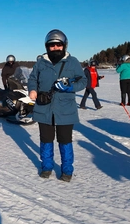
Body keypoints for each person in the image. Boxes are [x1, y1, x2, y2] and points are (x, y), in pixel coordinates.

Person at [28, 29, 87, 182]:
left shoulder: (72, 62)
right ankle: (46, 167)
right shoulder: (41, 62)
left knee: (65, 141)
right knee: (46, 140)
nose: (55, 48)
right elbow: (32, 78)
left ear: (64, 45)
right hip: (44, 108)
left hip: (65, 110)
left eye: (58, 45)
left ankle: (67, 171)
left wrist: (70, 87)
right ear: (47, 46)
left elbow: (83, 81)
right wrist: (32, 89)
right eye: (52, 45)